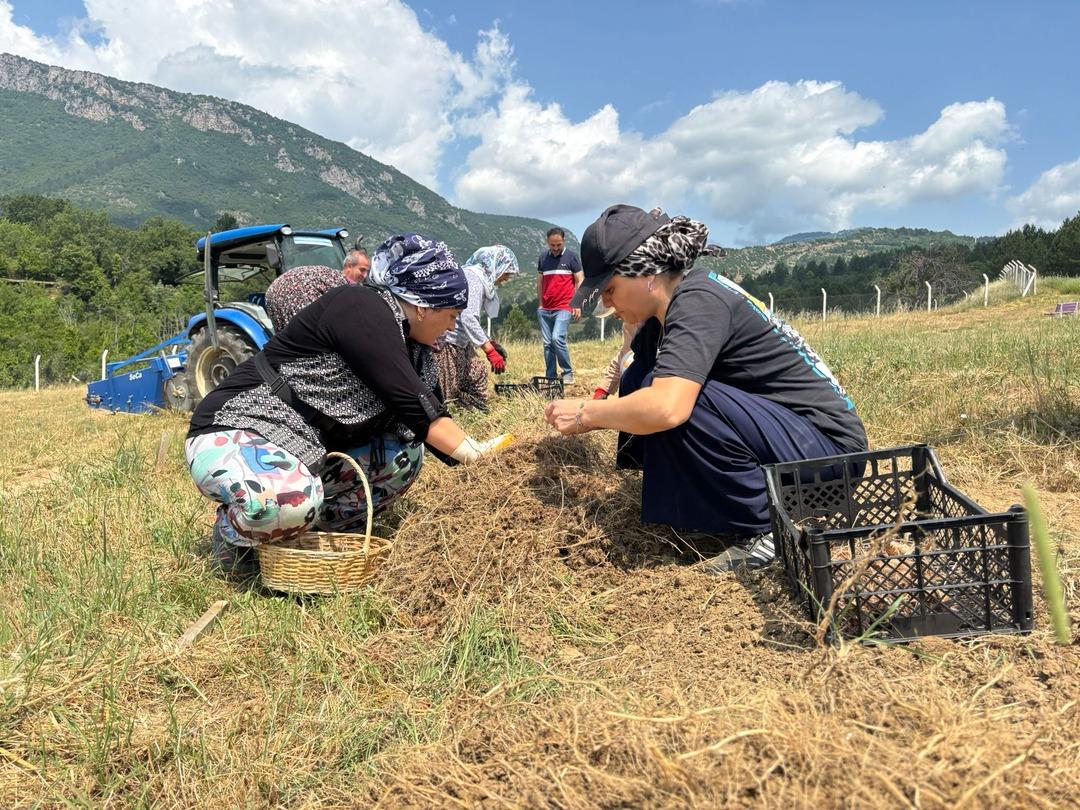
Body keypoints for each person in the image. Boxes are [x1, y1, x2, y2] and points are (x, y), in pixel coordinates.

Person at [544, 205, 868, 574]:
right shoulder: (668, 309)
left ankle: (771, 529)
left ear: (647, 273)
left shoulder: (699, 300)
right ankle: (698, 500)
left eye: (611, 289)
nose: (606, 302)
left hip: (829, 459)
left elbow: (668, 408)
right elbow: (631, 374)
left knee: (674, 398)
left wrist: (587, 414)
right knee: (640, 378)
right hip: (796, 443)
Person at [185, 233, 510, 577]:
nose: (452, 326)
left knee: (402, 457)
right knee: (287, 499)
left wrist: (489, 466)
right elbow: (415, 406)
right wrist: (478, 454)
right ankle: (232, 534)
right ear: (422, 306)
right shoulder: (362, 308)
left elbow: (428, 420)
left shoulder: (414, 347)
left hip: (299, 443)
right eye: (450, 314)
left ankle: (297, 535)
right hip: (236, 428)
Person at [435, 244, 519, 410]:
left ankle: (474, 409)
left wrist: (489, 342)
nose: (506, 278)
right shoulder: (473, 278)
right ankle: (445, 416)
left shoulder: (479, 279)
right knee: (446, 388)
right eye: (506, 272)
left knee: (476, 371)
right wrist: (489, 350)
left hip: (461, 341)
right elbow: (468, 316)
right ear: (497, 266)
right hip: (449, 341)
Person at [264, 249, 370, 332]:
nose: (364, 275)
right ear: (349, 266)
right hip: (287, 293)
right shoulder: (340, 284)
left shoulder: (332, 279)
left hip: (276, 293)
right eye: (362, 270)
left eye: (367, 271)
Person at [536, 227, 583, 384]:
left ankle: (567, 373)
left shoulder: (572, 257)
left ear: (563, 241)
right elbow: (540, 282)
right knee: (547, 343)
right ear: (547, 242)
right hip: (546, 309)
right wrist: (540, 305)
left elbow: (579, 280)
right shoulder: (543, 258)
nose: (556, 248)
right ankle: (550, 377)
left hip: (564, 306)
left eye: (559, 245)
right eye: (552, 245)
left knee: (557, 338)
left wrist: (577, 304)